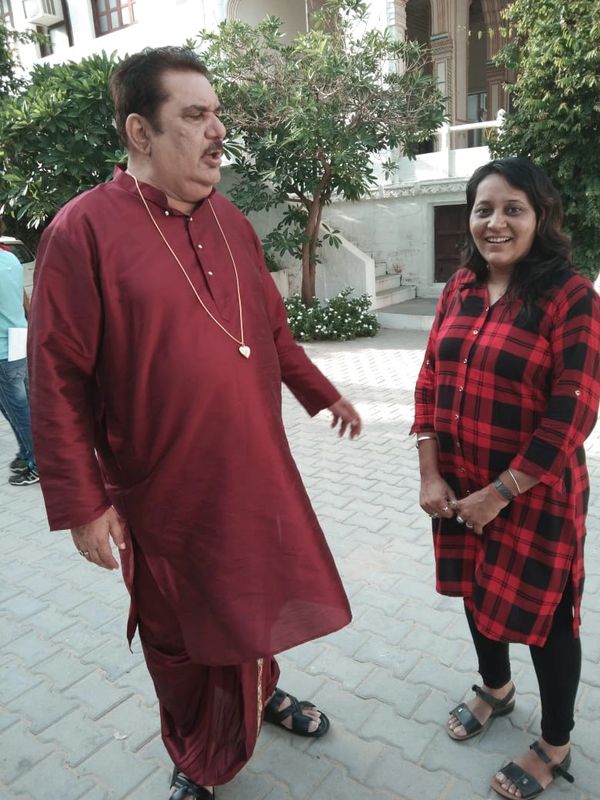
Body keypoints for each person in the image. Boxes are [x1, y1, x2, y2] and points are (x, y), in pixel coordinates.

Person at [28, 47, 362, 800]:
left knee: (257, 600)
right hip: (162, 491)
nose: (218, 130)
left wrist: (321, 393)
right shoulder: (82, 231)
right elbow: (56, 381)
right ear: (141, 133)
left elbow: (271, 333)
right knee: (179, 640)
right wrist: (83, 507)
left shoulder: (231, 220)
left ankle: (257, 695)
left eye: (217, 113)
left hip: (256, 469)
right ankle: (197, 754)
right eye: (195, 115)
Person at [412, 157, 600, 799]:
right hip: (461, 486)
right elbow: (430, 379)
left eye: (512, 208)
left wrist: (501, 494)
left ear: (540, 217)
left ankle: (554, 742)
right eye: (482, 209)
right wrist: (431, 472)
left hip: (536, 495)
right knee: (475, 589)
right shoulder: (459, 287)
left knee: (549, 619)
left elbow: (571, 414)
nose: (495, 222)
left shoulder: (570, 298)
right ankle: (495, 687)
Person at [0, 219, 38, 486]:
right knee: (23, 407)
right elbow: (24, 298)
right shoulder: (10, 258)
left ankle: (37, 464)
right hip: (19, 339)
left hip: (3, 350)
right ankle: (28, 454)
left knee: (18, 410)